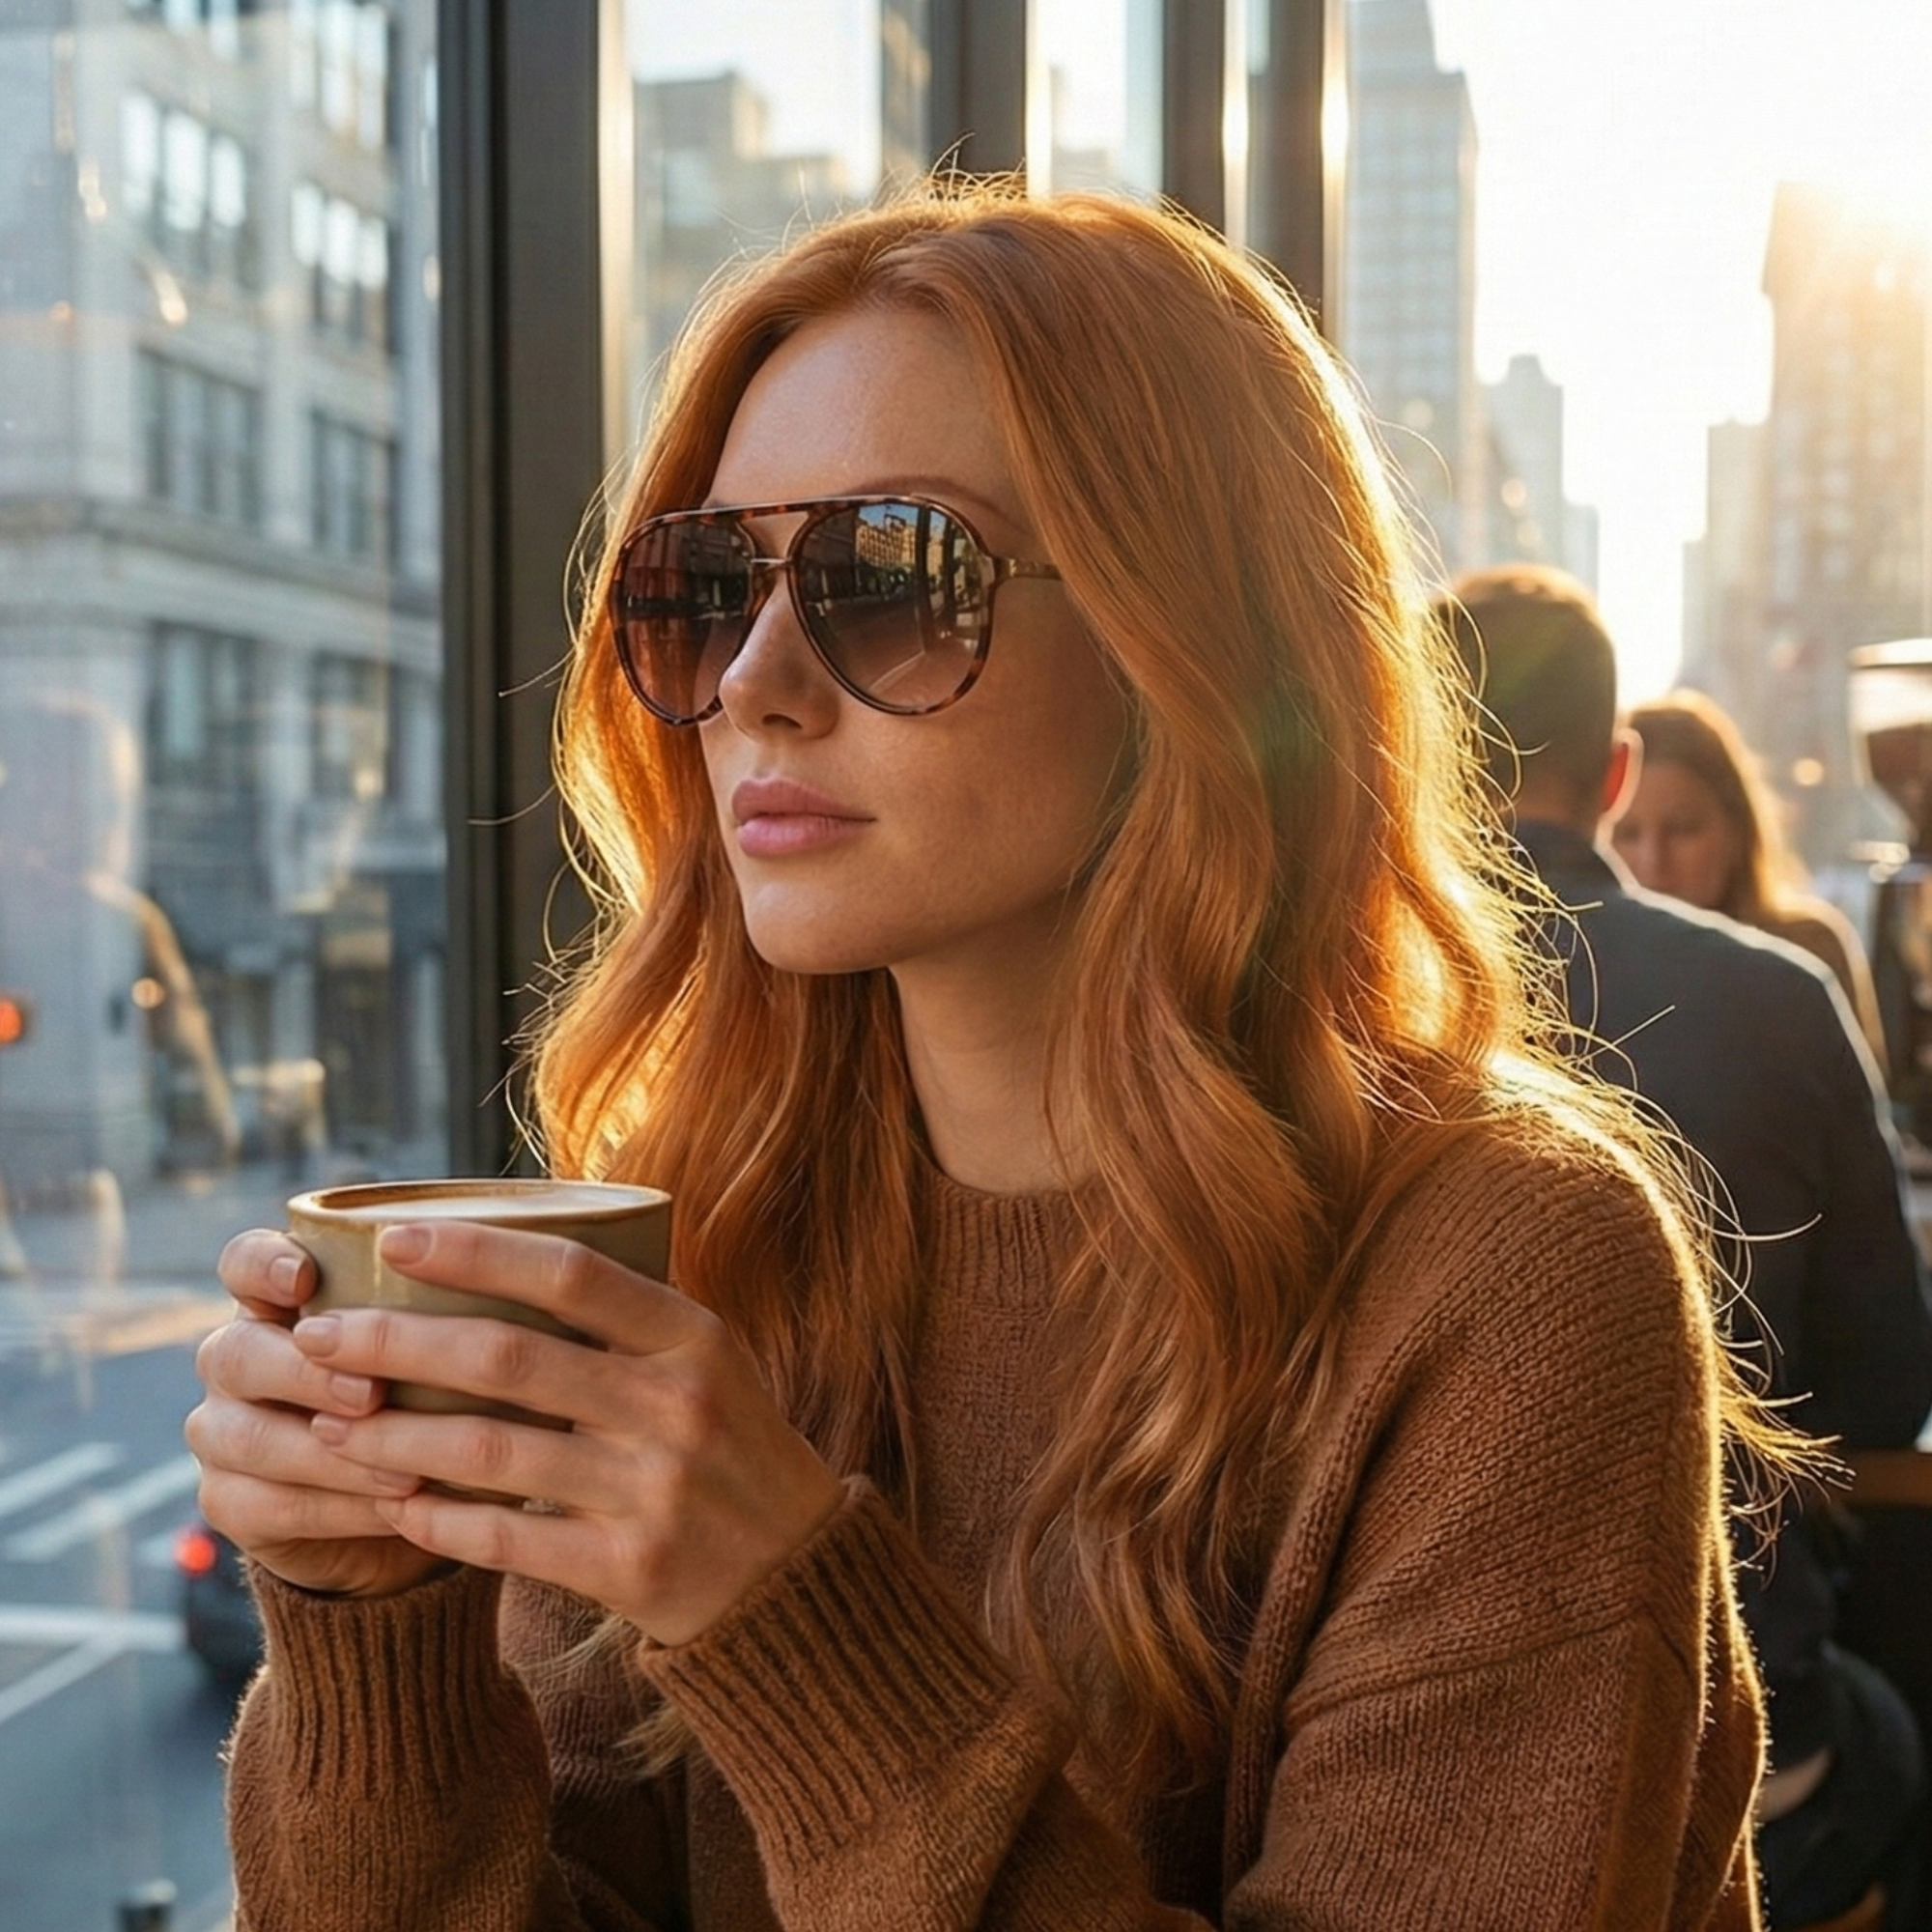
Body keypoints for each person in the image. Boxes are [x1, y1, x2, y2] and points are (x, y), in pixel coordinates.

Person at [190, 189, 1771, 1930]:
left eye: (891, 577)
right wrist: (371, 1640)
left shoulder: (1513, 1285)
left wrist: (791, 1619)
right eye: (703, 588)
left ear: (1192, 649)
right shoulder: (713, 1226)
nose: (758, 684)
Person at [1444, 563, 1932, 1931]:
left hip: (1381, 1778)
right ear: (1613, 774)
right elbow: (1886, 1396)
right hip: (1735, 1750)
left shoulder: (1317, 1009)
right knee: (1886, 1739)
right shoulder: (1785, 997)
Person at [1614, 689, 1887, 1065]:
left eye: (1682, 828)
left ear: (1735, 827)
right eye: (1627, 833)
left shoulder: (1806, 949)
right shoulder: (1590, 971)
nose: (1652, 860)